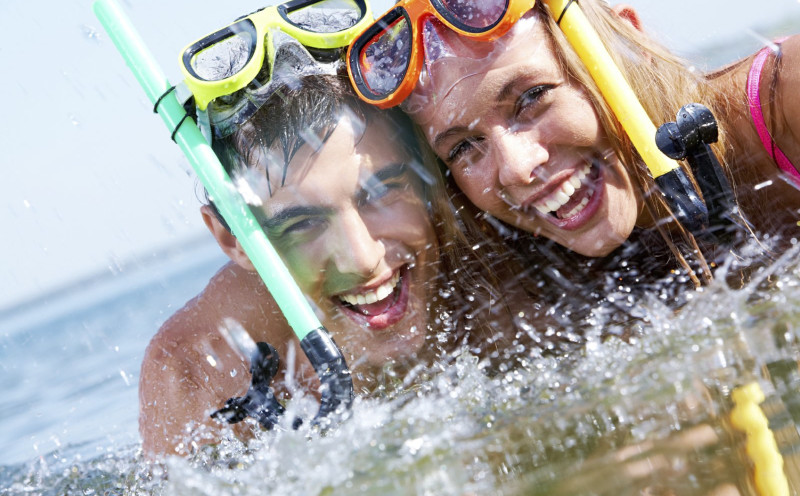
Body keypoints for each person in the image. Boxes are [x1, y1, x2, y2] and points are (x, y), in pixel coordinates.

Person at [138, 26, 546, 458]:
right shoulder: (200, 372)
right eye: (303, 223)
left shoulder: (506, 251)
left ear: (427, 172)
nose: (363, 258)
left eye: (381, 192)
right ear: (233, 239)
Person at [346, 0, 800, 290]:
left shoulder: (787, 104)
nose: (518, 168)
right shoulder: (535, 280)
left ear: (624, 42)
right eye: (464, 146)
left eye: (531, 98)